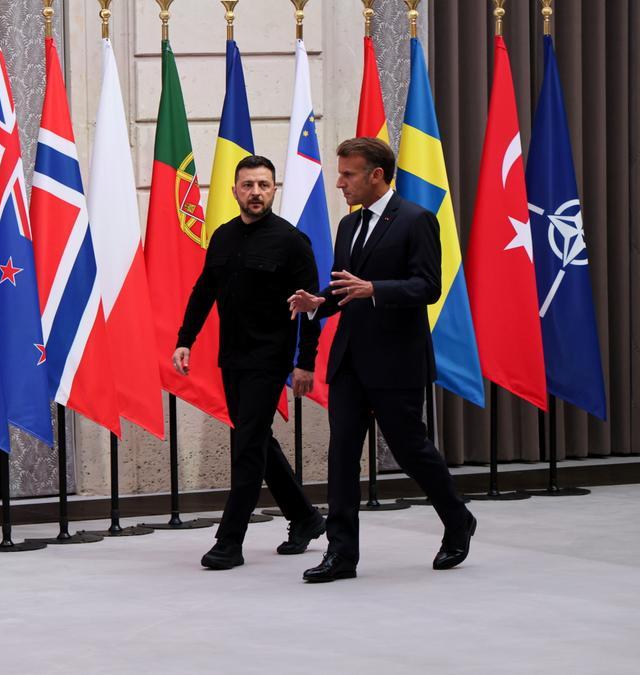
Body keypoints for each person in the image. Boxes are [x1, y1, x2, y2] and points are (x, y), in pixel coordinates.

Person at [288, 137, 477, 583]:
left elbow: (428, 286)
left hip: (397, 359)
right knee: (342, 455)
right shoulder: (348, 227)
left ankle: (457, 518)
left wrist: (377, 290)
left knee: (412, 449)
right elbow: (342, 289)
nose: (339, 183)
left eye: (348, 174)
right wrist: (318, 302)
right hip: (350, 359)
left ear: (377, 174)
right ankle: (342, 555)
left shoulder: (417, 220)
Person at [174, 155, 326, 570]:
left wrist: (305, 363)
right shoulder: (222, 237)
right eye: (248, 185)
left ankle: (229, 542)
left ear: (274, 189)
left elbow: (312, 309)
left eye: (263, 184)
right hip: (232, 358)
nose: (255, 192)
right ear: (234, 190)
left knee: (246, 448)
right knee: (257, 442)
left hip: (269, 359)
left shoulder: (292, 242)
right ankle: (306, 517)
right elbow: (204, 291)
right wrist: (185, 339)